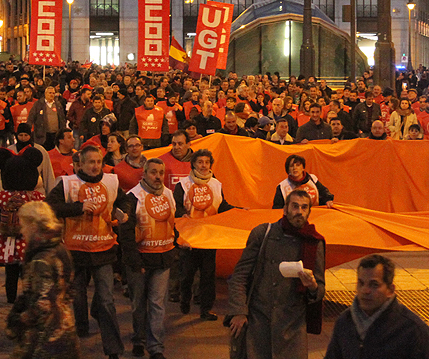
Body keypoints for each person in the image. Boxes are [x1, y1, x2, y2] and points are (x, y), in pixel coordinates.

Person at [46, 144, 133, 359]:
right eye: (91, 162)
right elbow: (50, 206)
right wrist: (78, 207)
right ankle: (81, 329)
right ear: (80, 164)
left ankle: (113, 350)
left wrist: (124, 213)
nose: (95, 166)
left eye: (98, 162)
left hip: (104, 250)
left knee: (106, 300)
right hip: (75, 251)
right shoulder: (68, 184)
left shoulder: (111, 181)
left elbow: (125, 200)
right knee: (77, 296)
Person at [227, 189, 326, 359]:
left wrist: (313, 287)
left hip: (292, 328)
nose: (299, 212)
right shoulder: (263, 234)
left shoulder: (314, 242)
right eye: (295, 206)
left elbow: (320, 288)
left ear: (309, 211)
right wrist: (239, 311)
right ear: (285, 209)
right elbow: (240, 276)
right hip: (259, 322)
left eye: (304, 207)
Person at [323, 254, 429, 359]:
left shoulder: (412, 330)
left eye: (374, 285)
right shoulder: (345, 321)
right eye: (361, 283)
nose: (365, 291)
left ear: (390, 290)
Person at [6, 201, 80, 359]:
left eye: (24, 225)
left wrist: (18, 320)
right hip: (66, 329)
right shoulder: (61, 249)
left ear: (33, 226)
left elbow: (42, 305)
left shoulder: (41, 260)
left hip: (44, 341)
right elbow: (71, 290)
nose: (22, 231)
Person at [124, 158, 177, 359]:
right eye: (153, 172)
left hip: (163, 258)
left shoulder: (169, 195)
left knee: (157, 304)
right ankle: (138, 339)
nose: (158, 177)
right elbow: (126, 234)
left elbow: (174, 223)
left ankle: (156, 348)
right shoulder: (132, 197)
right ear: (144, 174)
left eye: (161, 173)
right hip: (140, 261)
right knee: (138, 303)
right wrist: (135, 262)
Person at [174, 148, 235, 320]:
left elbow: (222, 206)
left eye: (206, 162)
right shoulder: (182, 184)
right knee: (187, 275)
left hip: (209, 237)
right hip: (190, 238)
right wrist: (181, 214)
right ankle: (184, 300)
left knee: (208, 276)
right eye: (200, 162)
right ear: (193, 164)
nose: (203, 165)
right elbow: (175, 206)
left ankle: (206, 309)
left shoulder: (216, 184)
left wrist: (239, 211)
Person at [0, 147, 46, 304]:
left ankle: (11, 297)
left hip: (8, 236)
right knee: (29, 268)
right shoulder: (35, 196)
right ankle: (29, 295)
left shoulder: (3, 197)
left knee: (11, 270)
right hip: (29, 238)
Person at [29, 85, 65, 150]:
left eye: (53, 93)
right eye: (50, 93)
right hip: (43, 135)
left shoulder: (58, 104)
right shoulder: (38, 104)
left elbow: (62, 119)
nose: (51, 95)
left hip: (55, 135)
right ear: (45, 94)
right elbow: (31, 117)